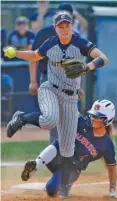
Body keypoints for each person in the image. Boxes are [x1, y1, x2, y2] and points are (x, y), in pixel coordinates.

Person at [4, 11, 108, 199]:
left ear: (71, 26)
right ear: (55, 28)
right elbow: (36, 56)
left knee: (68, 150)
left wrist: (87, 67)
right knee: (50, 119)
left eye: (67, 25)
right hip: (50, 89)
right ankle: (21, 118)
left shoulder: (80, 43)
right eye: (60, 26)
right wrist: (16, 53)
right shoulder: (51, 43)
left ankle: (65, 187)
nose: (64, 29)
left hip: (70, 100)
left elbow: (103, 58)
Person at [21, 99, 117, 199]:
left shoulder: (107, 145)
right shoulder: (82, 122)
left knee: (51, 190)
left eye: (97, 117)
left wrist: (112, 191)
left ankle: (61, 185)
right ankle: (35, 165)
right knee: (59, 144)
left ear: (107, 120)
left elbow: (112, 169)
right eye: (93, 115)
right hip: (58, 156)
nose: (93, 118)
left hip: (72, 168)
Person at [29, 3, 85, 143]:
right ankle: (56, 151)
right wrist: (33, 81)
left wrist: (78, 86)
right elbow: (33, 58)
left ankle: (67, 151)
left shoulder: (76, 37)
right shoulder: (44, 33)